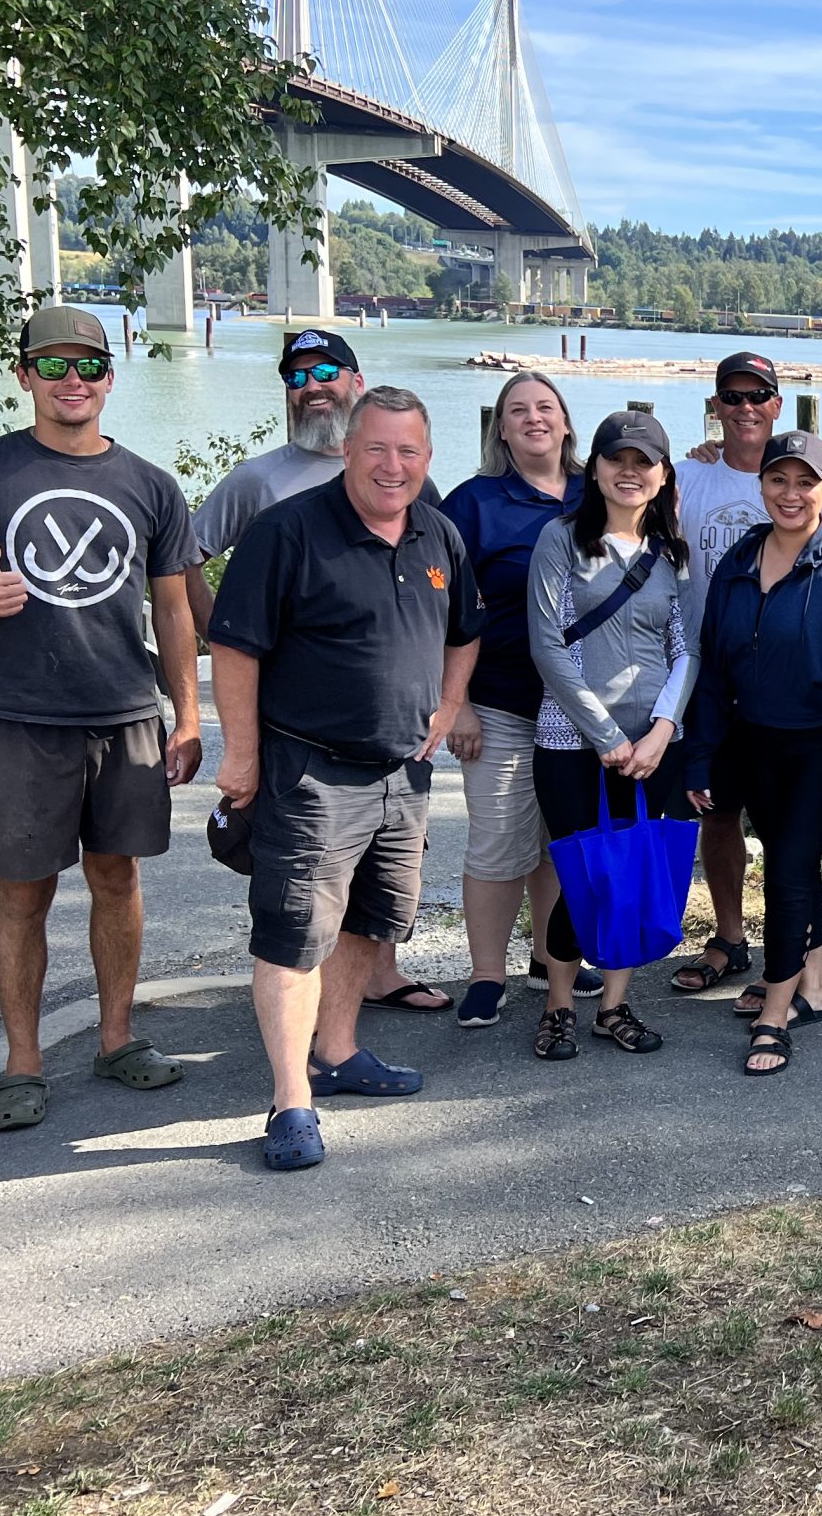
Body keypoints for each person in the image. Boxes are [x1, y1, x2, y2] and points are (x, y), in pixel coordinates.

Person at [0, 306, 200, 1133]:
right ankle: (22, 1065)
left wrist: (187, 718)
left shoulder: (150, 484)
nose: (71, 381)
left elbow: (176, 611)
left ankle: (116, 1040)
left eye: (87, 365)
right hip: (21, 716)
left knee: (119, 879)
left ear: (110, 377)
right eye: (52, 367)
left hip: (124, 713)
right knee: (23, 892)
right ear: (24, 377)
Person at [207, 387, 482, 1171]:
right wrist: (242, 755)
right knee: (295, 935)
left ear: (428, 460)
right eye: (378, 450)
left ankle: (338, 1052)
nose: (393, 467)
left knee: (373, 920)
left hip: (404, 771)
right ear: (349, 451)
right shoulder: (288, 531)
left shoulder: (439, 534)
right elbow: (235, 648)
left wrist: (451, 702)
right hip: (309, 772)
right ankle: (290, 1098)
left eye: (410, 453)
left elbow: (467, 630)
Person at [187, 326, 450, 1016]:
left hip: (393, 729)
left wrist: (448, 701)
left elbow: (443, 593)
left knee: (388, 863)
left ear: (356, 385)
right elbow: (184, 554)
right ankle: (298, 1014)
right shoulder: (259, 482)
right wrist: (221, 629)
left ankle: (376, 977)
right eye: (298, 377)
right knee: (304, 870)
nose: (312, 387)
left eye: (326, 371)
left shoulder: (413, 485)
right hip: (296, 722)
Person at [687, 431, 822, 1076]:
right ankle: (814, 987)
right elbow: (714, 670)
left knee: (787, 873)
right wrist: (702, 755)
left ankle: (776, 1012)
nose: (792, 493)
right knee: (788, 864)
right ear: (762, 486)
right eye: (779, 480)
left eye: (806, 482)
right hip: (750, 743)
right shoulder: (739, 560)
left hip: (816, 749)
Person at [525, 409, 696, 1062]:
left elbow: (688, 651)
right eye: (616, 460)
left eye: (643, 462)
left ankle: (616, 1005)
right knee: (584, 877)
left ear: (661, 476)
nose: (629, 472)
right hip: (571, 743)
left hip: (653, 749)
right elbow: (548, 645)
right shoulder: (560, 541)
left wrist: (661, 731)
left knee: (637, 875)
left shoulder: (673, 555)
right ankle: (560, 1005)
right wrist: (603, 733)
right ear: (592, 468)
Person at [439, 371, 584, 1029]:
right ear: (500, 428)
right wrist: (456, 701)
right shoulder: (473, 503)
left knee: (561, 841)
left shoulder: (596, 493)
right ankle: (485, 974)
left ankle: (547, 961)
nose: (533, 418)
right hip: (497, 699)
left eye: (545, 407)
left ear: (565, 422)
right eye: (517, 410)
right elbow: (440, 605)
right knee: (499, 842)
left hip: (582, 708)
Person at [667, 351, 785, 1006]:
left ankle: (786, 949)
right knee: (718, 811)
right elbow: (619, 501)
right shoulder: (687, 475)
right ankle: (731, 935)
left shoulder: (804, 476)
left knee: (781, 816)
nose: (744, 407)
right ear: (715, 405)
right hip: (705, 674)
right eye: (731, 396)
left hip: (778, 677)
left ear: (776, 402)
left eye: (757, 395)